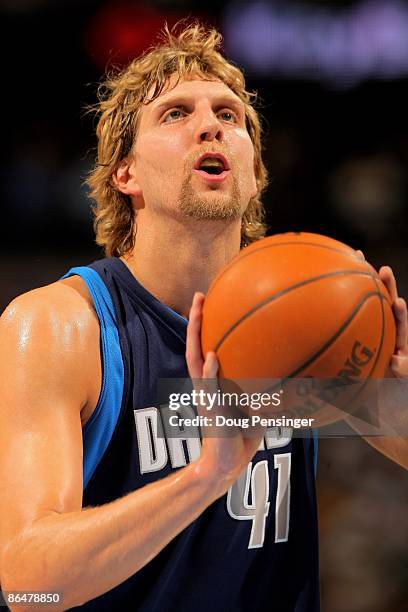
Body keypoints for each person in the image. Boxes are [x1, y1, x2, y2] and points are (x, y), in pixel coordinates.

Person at [0, 24, 406, 612]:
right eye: (174, 114)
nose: (211, 124)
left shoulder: (308, 322)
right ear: (125, 174)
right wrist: (203, 477)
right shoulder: (62, 327)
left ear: (254, 170)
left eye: (230, 115)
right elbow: (25, 586)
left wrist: (390, 396)